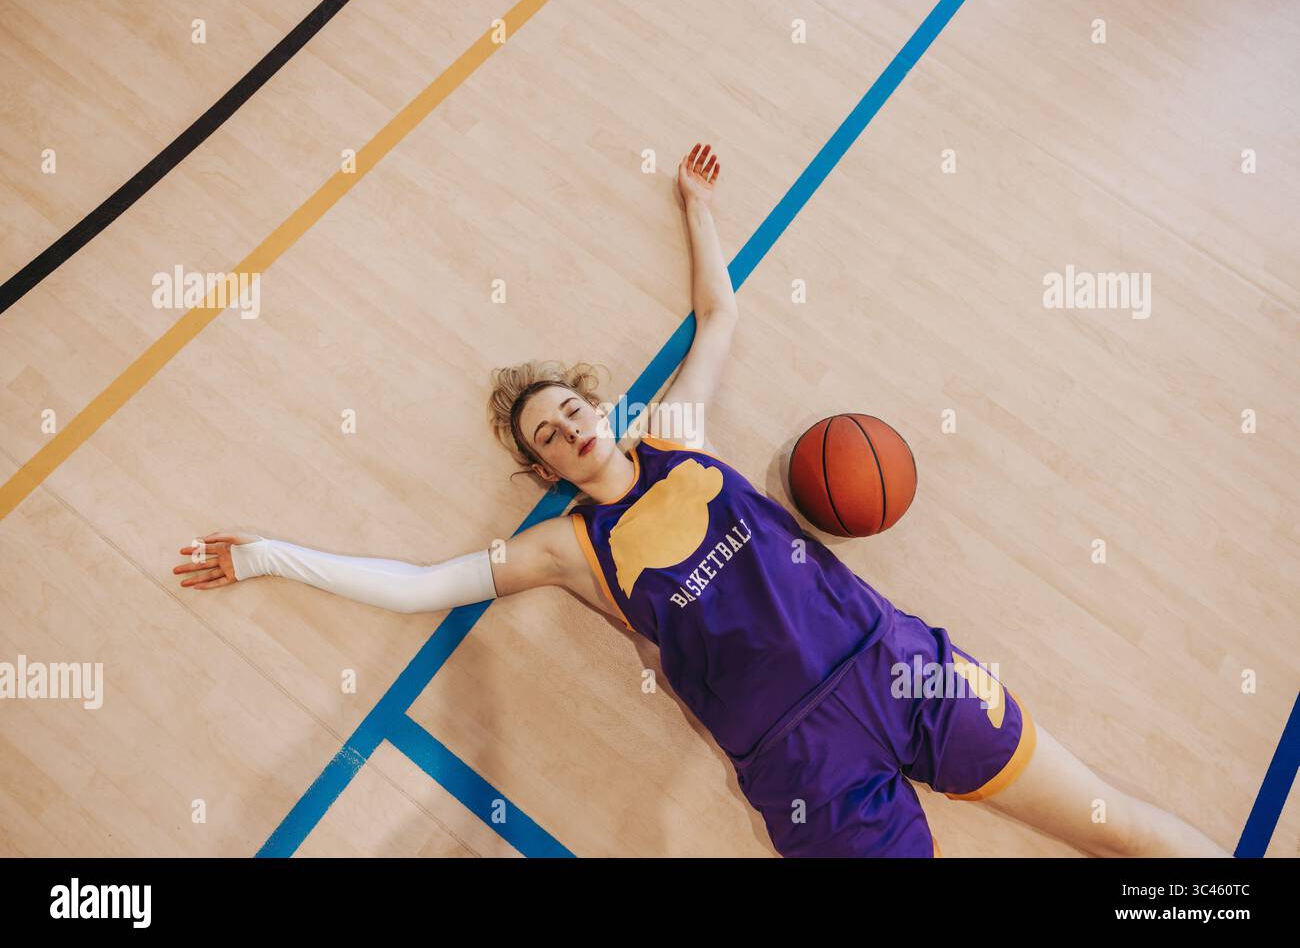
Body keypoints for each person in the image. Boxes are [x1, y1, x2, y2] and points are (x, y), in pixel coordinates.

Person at [175, 143, 1227, 857]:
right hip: (796, 761)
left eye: (571, 408)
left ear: (599, 406)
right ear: (542, 471)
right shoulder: (562, 552)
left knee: (1109, 826)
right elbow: (415, 589)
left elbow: (717, 315)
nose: (569, 429)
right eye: (547, 436)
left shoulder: (675, 434)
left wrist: (698, 207)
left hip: (897, 667)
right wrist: (268, 554)